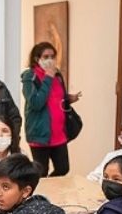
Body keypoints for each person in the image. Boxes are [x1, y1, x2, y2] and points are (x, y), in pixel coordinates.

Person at [21, 42, 81, 177]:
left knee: (63, 168)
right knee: (41, 172)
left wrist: (68, 98)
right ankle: (42, 195)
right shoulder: (30, 77)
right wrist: (48, 77)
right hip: (40, 134)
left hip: (59, 134)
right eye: (46, 56)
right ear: (37, 59)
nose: (50, 60)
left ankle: (51, 190)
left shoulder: (57, 75)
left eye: (52, 56)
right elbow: (36, 103)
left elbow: (56, 97)